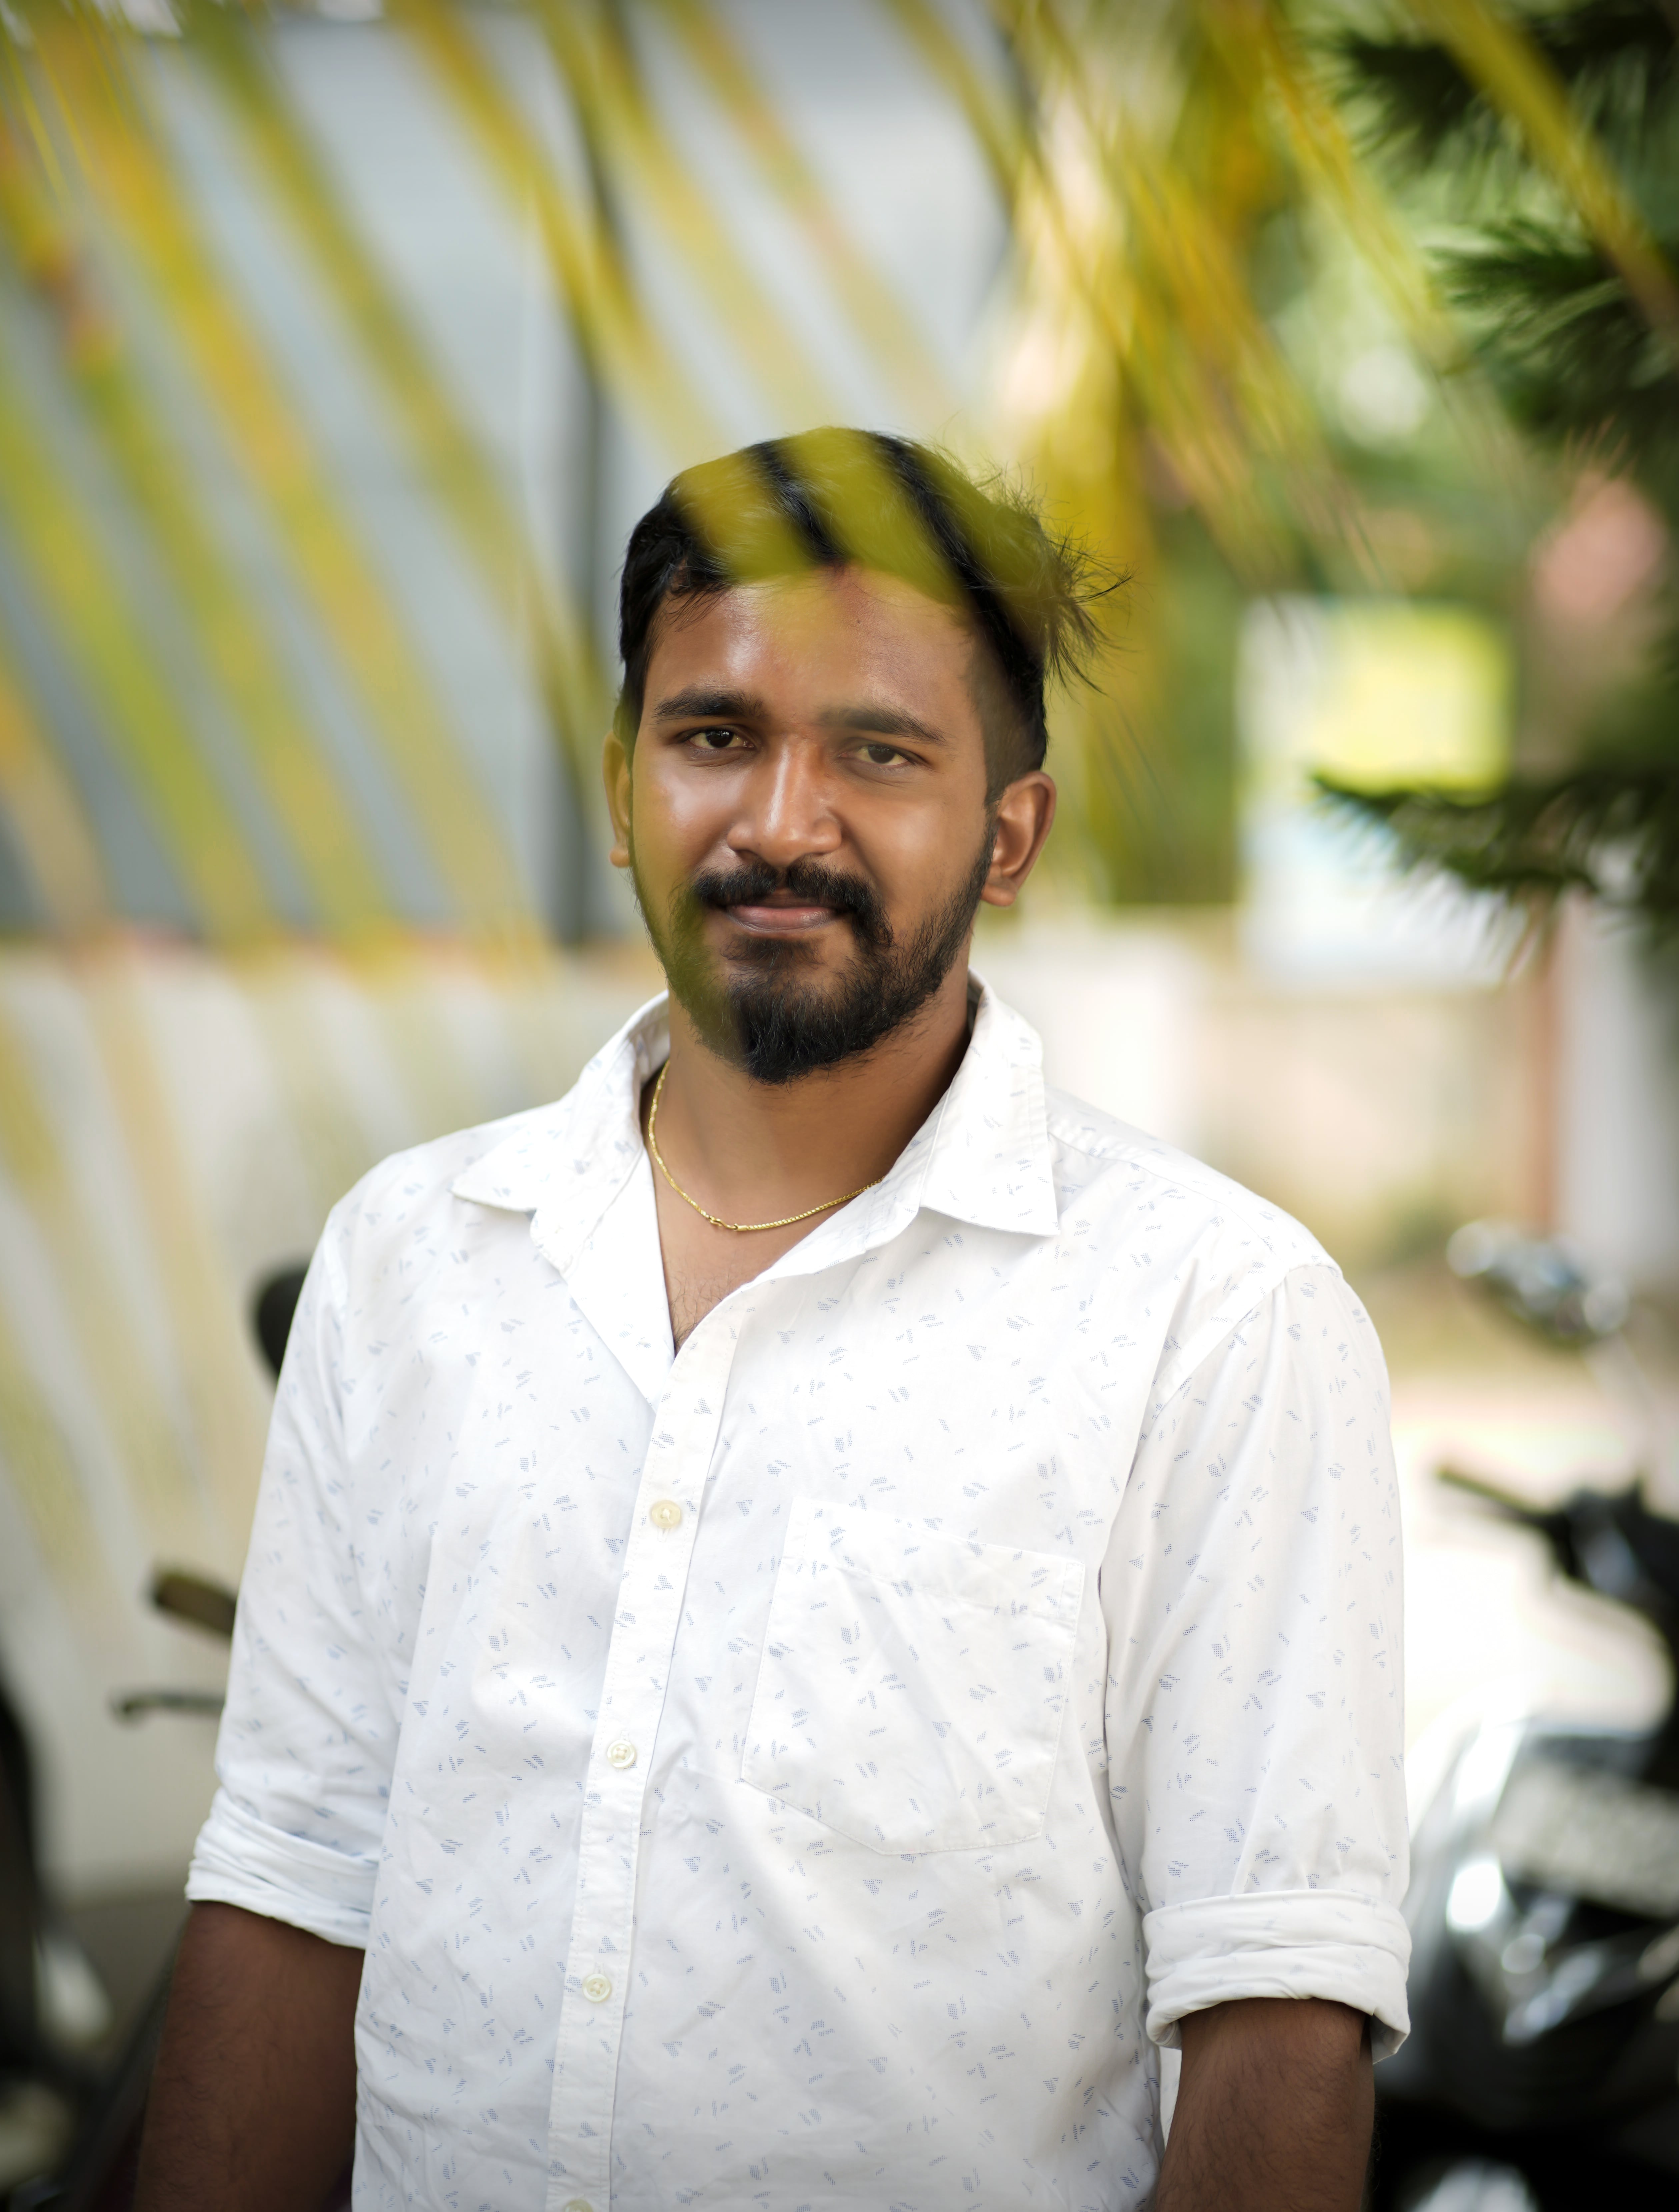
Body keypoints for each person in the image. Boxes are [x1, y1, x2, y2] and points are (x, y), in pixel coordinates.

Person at [138, 428, 1409, 2212]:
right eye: (715, 735)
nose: (780, 824)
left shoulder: (1212, 1320)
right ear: (622, 787)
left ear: (1009, 832)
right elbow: (289, 1890)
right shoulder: (411, 1260)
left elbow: (1275, 2019)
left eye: (879, 753)